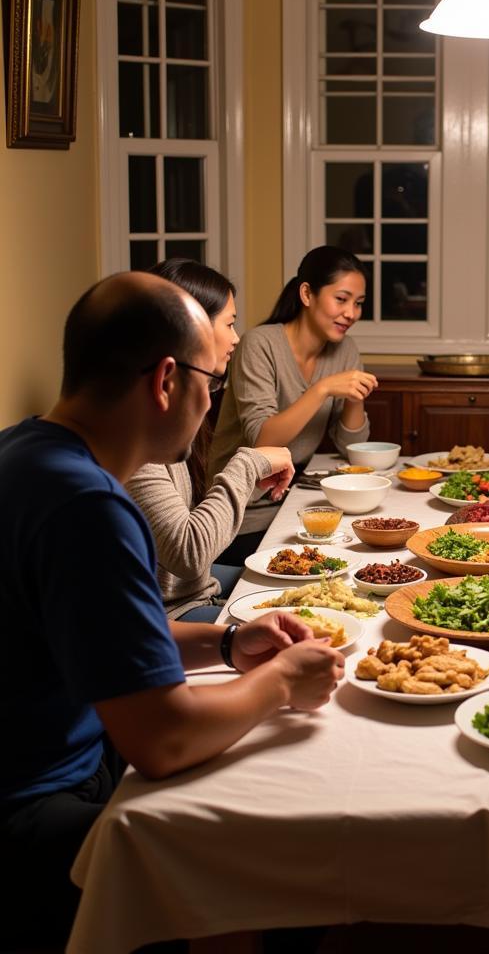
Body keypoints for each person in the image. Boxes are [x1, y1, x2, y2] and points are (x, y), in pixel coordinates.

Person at [0, 273, 344, 948]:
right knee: (287, 846)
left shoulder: (25, 450)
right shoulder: (89, 506)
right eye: (212, 384)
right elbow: (163, 740)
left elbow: (95, 628)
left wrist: (224, 645)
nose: (208, 403)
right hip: (37, 804)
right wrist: (279, 682)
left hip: (55, 753)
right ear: (166, 380)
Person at [127, 259, 295, 622]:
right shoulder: (138, 439)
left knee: (306, 592)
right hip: (171, 615)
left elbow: (183, 541)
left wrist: (247, 481)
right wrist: (248, 464)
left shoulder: (165, 417)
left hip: (194, 590)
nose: (236, 337)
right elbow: (189, 554)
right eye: (230, 323)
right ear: (192, 328)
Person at [209, 246, 377, 562]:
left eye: (358, 304)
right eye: (341, 299)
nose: (351, 313)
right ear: (307, 294)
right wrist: (323, 388)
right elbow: (263, 440)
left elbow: (351, 446)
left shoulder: (344, 349)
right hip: (240, 516)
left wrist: (356, 395)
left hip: (295, 504)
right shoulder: (259, 344)